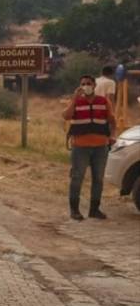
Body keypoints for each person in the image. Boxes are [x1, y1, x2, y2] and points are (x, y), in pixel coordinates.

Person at [62, 75, 117, 221]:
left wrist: (112, 136)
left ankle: (94, 210)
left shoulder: (104, 101)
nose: (86, 86)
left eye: (88, 83)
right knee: (77, 178)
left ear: (94, 85)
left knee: (98, 179)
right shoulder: (76, 101)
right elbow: (66, 116)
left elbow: (112, 121)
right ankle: (74, 210)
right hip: (80, 147)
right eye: (83, 84)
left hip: (100, 147)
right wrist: (74, 98)